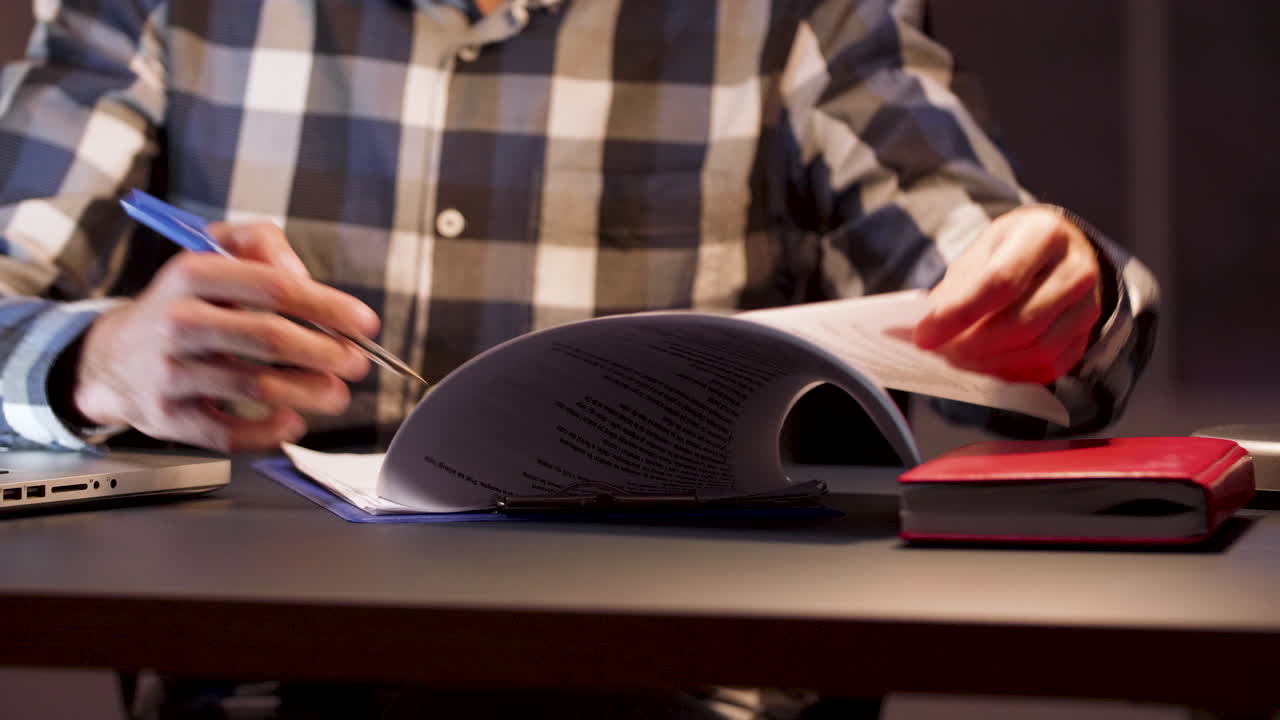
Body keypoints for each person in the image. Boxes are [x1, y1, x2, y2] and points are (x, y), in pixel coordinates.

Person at [0, 0, 1157, 717]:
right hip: (265, 680)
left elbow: (1014, 318)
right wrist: (93, 361)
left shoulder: (797, 17)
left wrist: (1059, 296)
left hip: (695, 687)